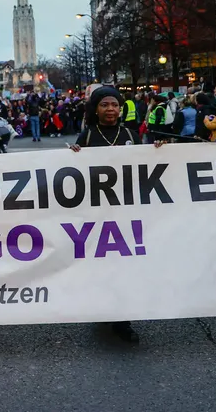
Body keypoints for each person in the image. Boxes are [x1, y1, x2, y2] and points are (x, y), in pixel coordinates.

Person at [68, 86, 163, 343]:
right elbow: (72, 174)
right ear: (95, 109)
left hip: (126, 212)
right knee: (101, 264)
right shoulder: (87, 136)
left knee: (124, 265)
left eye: (114, 105)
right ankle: (102, 306)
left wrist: (158, 150)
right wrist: (71, 156)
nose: (110, 109)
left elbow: (146, 166)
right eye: (104, 105)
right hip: (97, 213)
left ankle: (123, 319)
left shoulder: (130, 134)